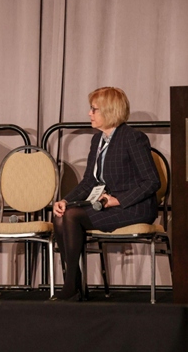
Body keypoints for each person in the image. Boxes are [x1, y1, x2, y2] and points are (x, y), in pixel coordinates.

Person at [51, 87, 160, 301]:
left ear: (110, 111)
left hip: (134, 207)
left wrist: (118, 200)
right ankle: (75, 283)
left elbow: (152, 182)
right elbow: (89, 182)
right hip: (108, 204)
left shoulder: (133, 138)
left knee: (73, 216)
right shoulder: (97, 140)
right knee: (63, 213)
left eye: (94, 109)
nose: (89, 113)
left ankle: (71, 285)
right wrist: (65, 200)